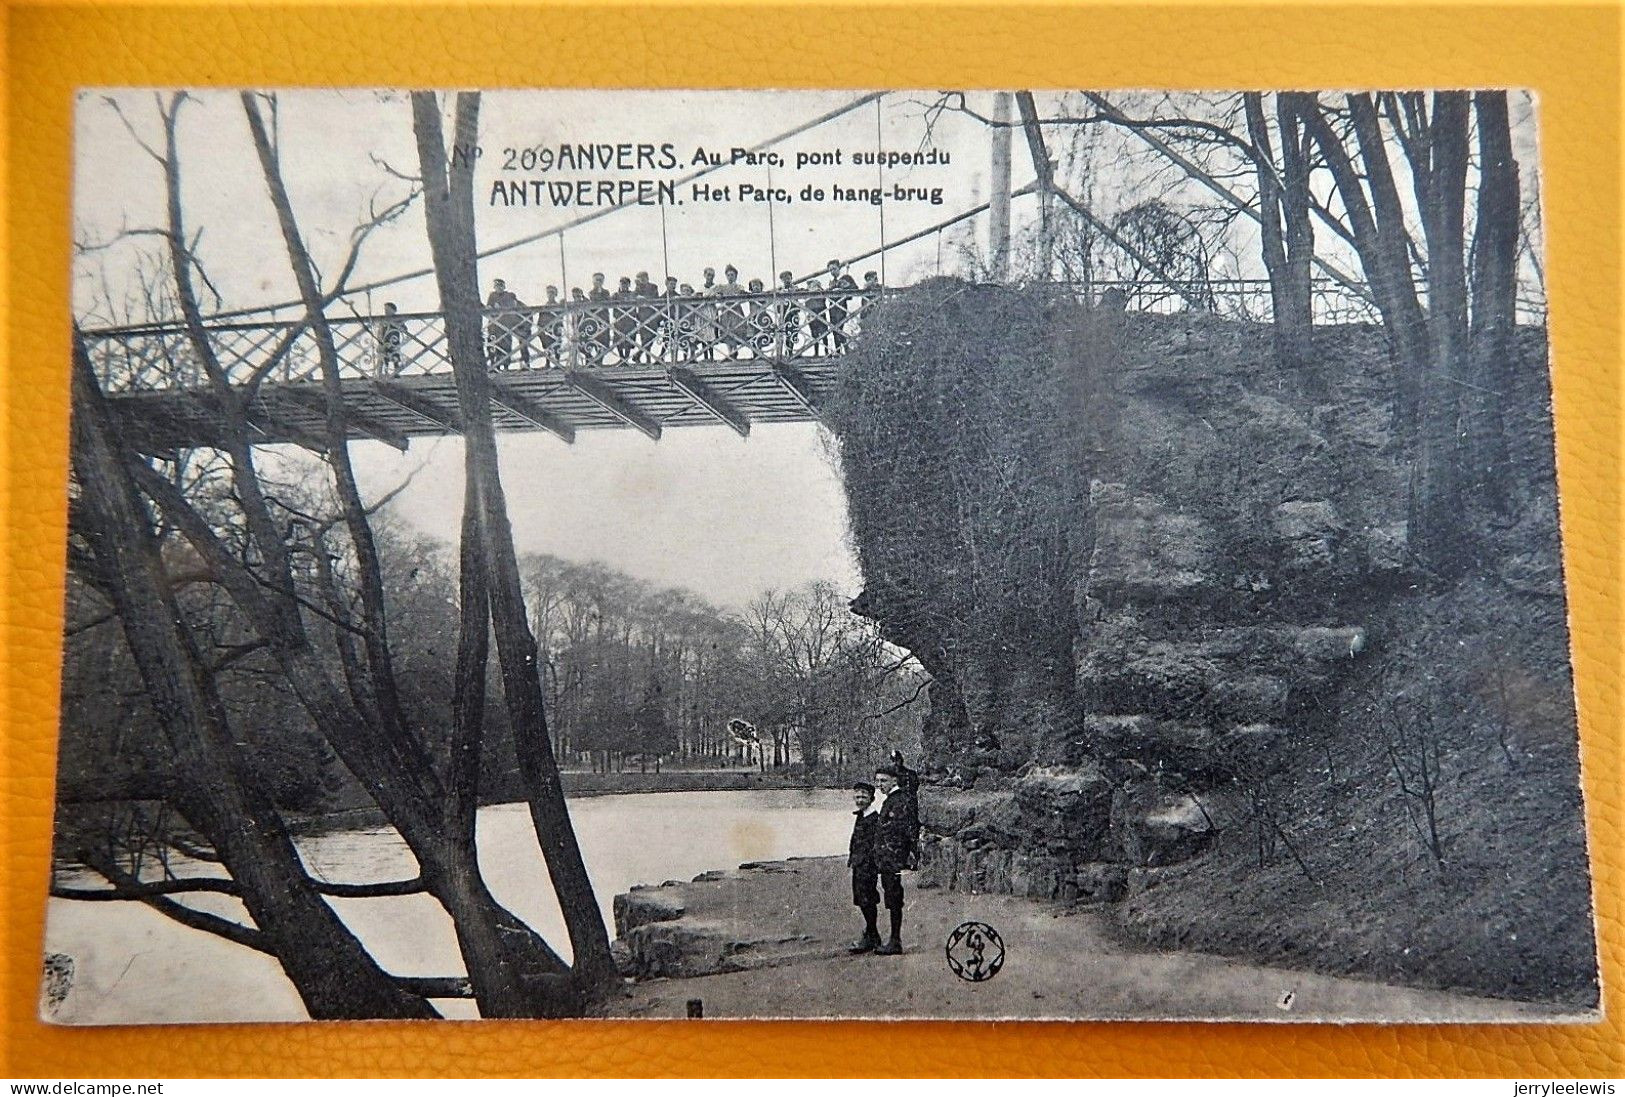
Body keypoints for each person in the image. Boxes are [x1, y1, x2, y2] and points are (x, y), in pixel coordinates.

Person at [872, 751, 920, 955]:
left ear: (894, 780)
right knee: (891, 896)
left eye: (883, 781)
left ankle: (895, 940)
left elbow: (905, 831)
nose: (879, 785)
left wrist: (904, 855)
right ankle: (893, 939)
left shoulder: (900, 801)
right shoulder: (891, 800)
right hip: (887, 858)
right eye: (877, 781)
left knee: (893, 898)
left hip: (893, 858)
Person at [847, 782, 883, 953]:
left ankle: (872, 935)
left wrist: (868, 863)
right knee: (861, 898)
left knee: (867, 898)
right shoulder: (861, 815)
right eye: (857, 797)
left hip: (867, 866)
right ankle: (871, 933)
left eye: (864, 797)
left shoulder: (874, 819)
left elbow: (874, 845)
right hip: (859, 863)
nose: (860, 800)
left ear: (872, 799)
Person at [485, 279, 529, 369]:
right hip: (494, 326)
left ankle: (506, 366)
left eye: (500, 286)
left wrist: (501, 306)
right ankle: (494, 365)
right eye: (497, 286)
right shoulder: (492, 296)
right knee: (493, 345)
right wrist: (491, 307)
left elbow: (514, 305)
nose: (499, 288)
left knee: (506, 346)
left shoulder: (509, 295)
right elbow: (488, 307)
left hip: (505, 325)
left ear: (504, 287)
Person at [824, 260, 859, 353]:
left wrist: (843, 289)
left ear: (839, 268)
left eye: (834, 269)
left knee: (843, 328)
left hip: (842, 306)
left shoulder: (846, 277)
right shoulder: (831, 281)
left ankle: (847, 351)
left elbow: (855, 288)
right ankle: (838, 352)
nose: (832, 272)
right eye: (830, 270)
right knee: (834, 329)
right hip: (832, 307)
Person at [375, 301, 404, 376]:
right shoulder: (383, 319)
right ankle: (383, 373)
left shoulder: (397, 319)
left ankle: (396, 372)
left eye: (388, 310)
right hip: (385, 341)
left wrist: (399, 326)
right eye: (385, 310)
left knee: (395, 357)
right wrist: (379, 339)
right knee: (384, 357)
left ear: (393, 310)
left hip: (394, 341)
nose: (386, 311)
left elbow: (404, 328)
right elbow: (380, 330)